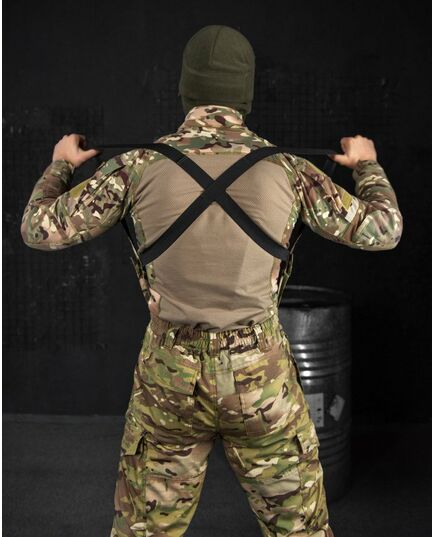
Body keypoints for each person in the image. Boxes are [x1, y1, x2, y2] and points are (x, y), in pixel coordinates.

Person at [20, 24, 403, 537]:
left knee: (145, 532)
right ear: (245, 95)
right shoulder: (290, 170)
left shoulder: (135, 167)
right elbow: (384, 230)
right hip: (261, 381)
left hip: (169, 380)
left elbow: (38, 229)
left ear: (186, 91)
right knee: (301, 532)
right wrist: (367, 165)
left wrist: (60, 166)